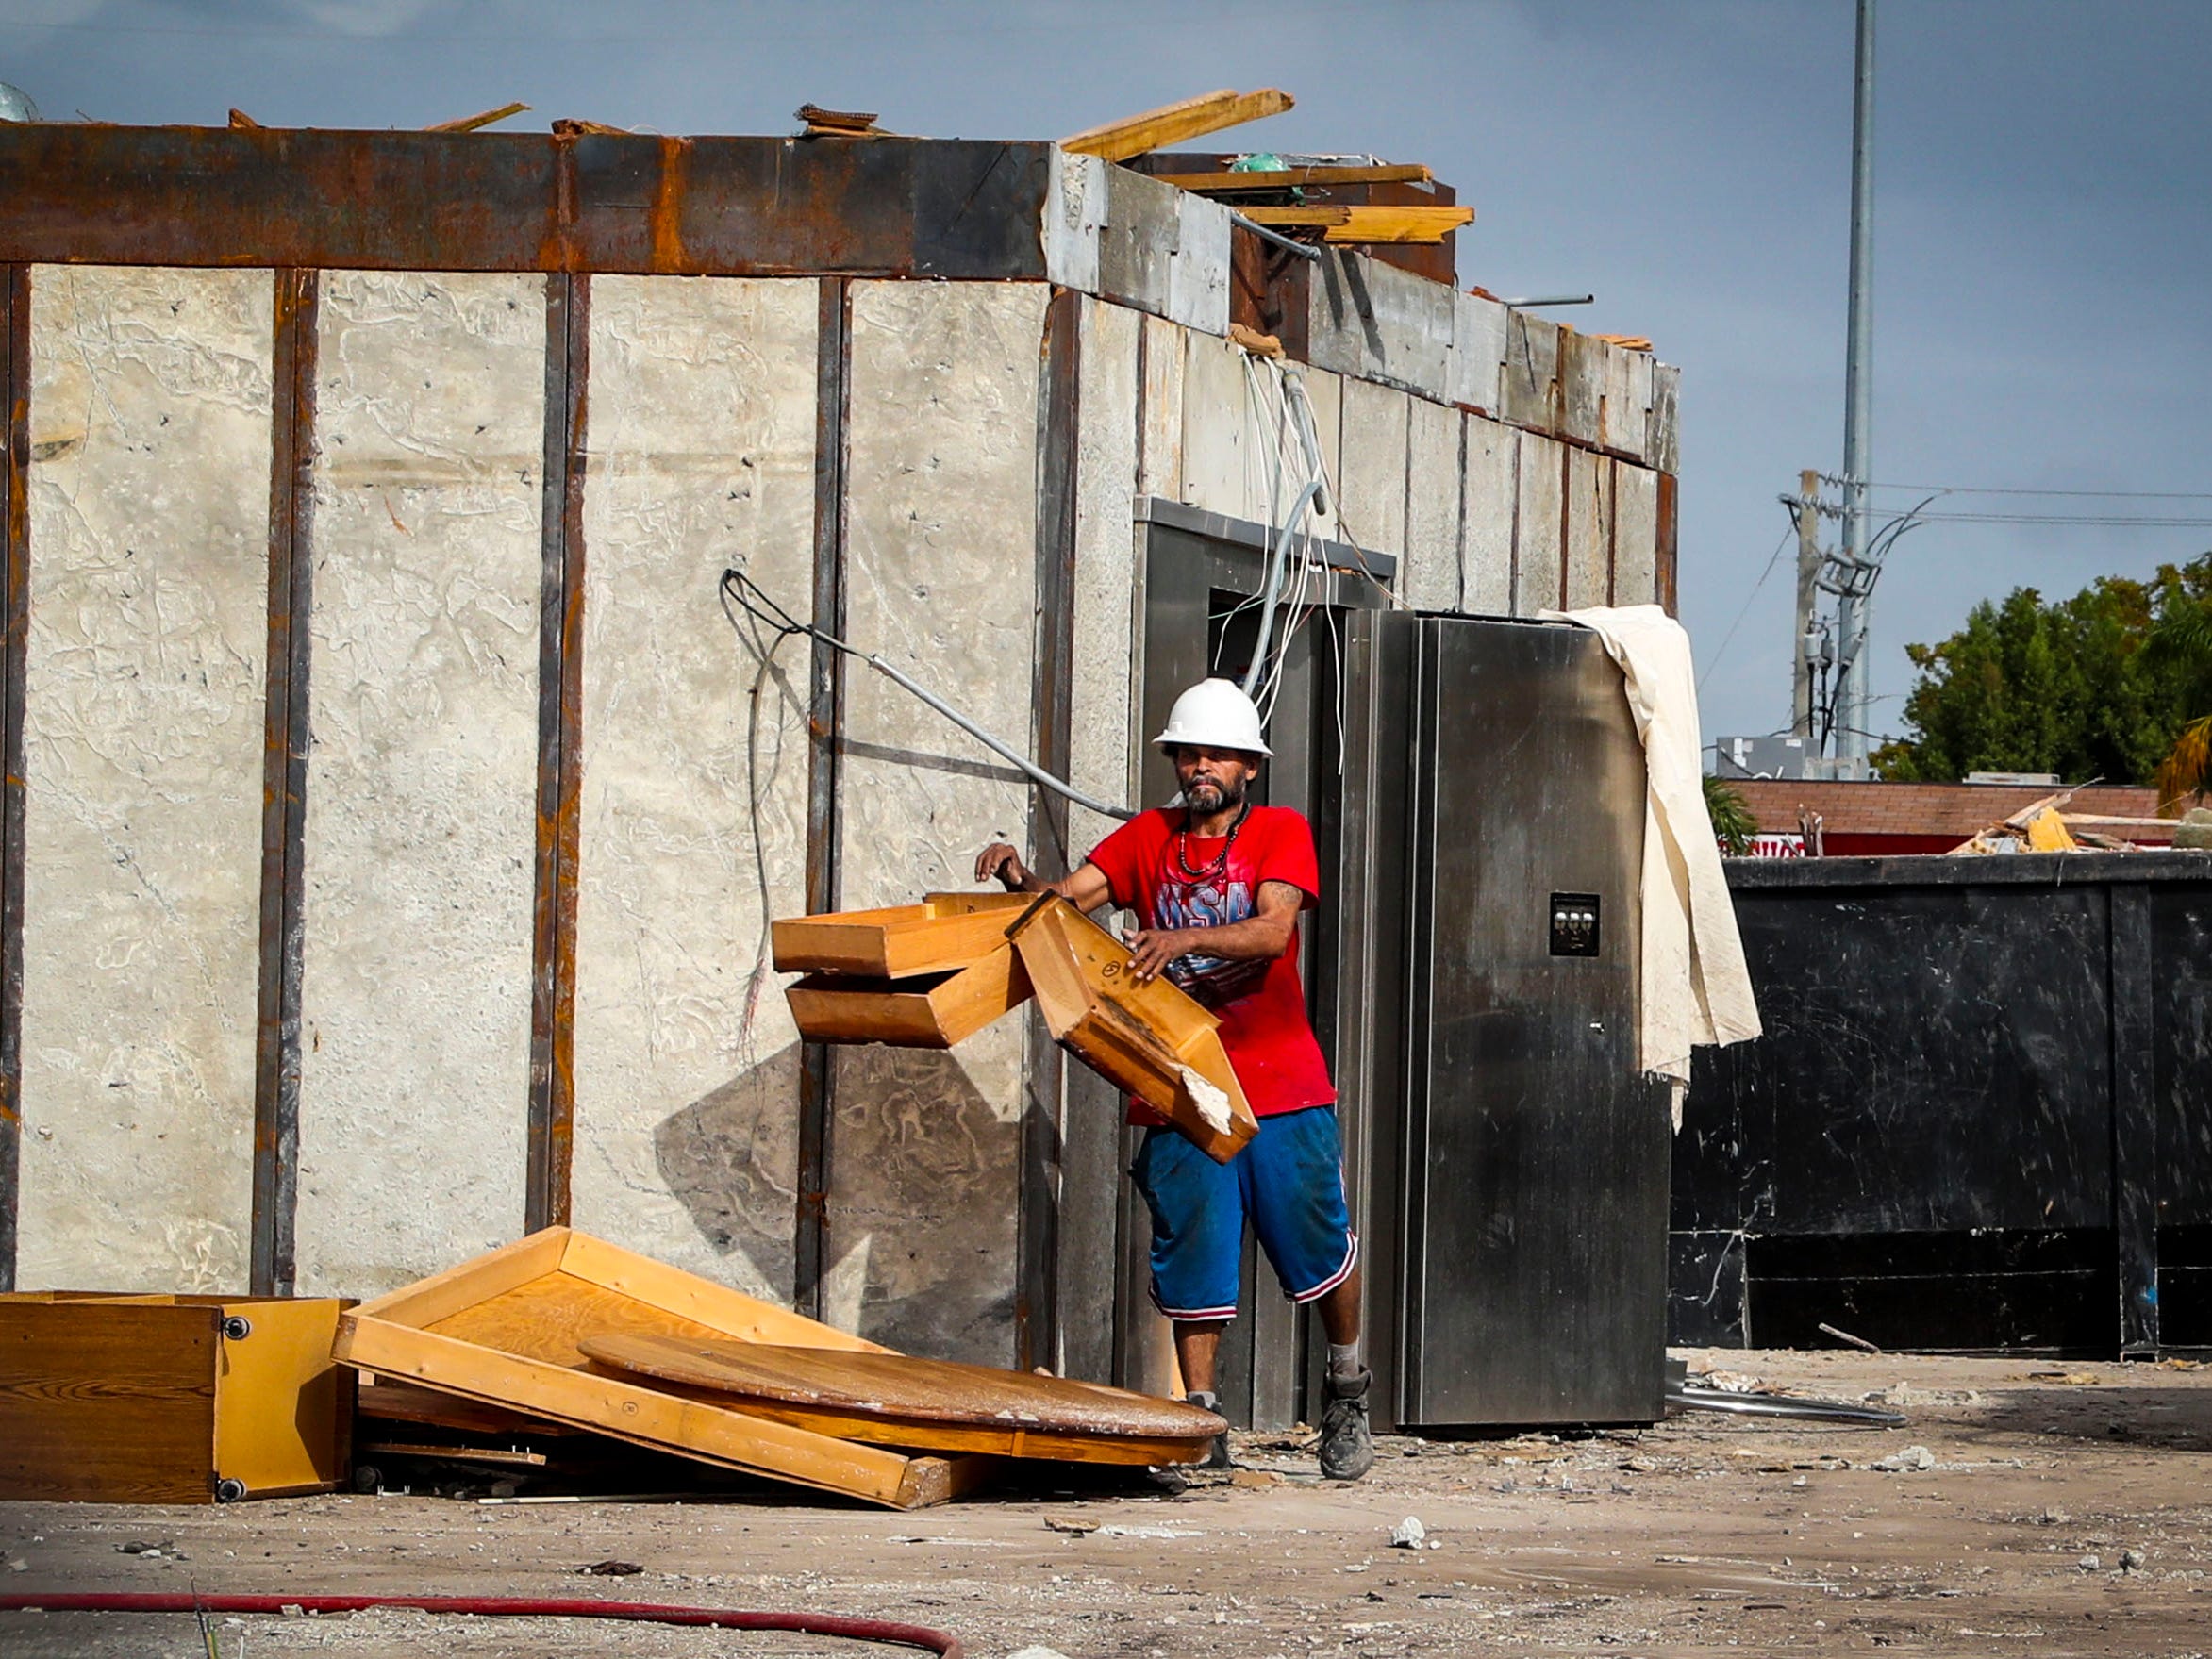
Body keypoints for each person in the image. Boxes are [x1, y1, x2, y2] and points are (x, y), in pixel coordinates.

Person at [974, 677, 1374, 1481]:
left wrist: (1178, 935)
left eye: (1217, 754)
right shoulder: (1144, 837)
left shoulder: (1279, 832)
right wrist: (1020, 879)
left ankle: (1346, 1385)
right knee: (1193, 1243)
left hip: (1278, 1078)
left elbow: (1270, 932)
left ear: (1248, 768)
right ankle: (1201, 1421)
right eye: (1189, 752)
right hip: (1174, 1077)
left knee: (1315, 1238)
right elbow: (1066, 901)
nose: (1201, 766)